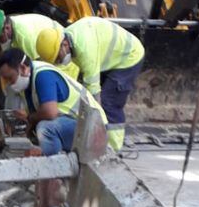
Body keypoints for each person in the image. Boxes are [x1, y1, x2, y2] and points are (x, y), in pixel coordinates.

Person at [36, 17, 145, 151]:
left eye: (58, 57)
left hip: (129, 56)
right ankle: (102, 143)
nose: (58, 62)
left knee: (109, 104)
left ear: (64, 44)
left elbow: (94, 97)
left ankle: (113, 150)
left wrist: (93, 129)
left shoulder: (84, 50)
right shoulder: (68, 40)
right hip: (111, 59)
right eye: (55, 61)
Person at [0, 48, 106, 156]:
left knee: (45, 128)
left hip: (93, 129)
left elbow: (50, 112)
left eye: (10, 78)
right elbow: (36, 116)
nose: (9, 84)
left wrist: (29, 118)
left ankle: (52, 164)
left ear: (23, 68)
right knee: (38, 130)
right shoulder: (27, 83)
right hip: (80, 126)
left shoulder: (43, 75)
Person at [0, 9, 80, 80]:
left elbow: (36, 69)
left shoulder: (25, 38)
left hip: (62, 61)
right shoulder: (14, 30)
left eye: (0, 38)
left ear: (7, 28)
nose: (0, 43)